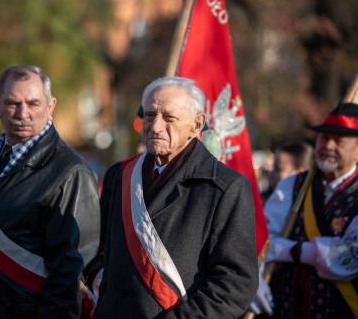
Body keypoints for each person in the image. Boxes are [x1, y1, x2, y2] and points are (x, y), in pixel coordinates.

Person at [93, 77, 258, 318]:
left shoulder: (226, 188)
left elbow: (234, 283)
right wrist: (99, 274)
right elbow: (97, 245)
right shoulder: (119, 176)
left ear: (197, 124)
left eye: (169, 118)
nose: (155, 126)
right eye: (150, 115)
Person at [0, 65, 100, 319]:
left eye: (33, 103)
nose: (22, 113)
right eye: (12, 103)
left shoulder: (70, 172)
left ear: (51, 107)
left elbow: (69, 273)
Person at [251, 102, 358, 318]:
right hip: (284, 307)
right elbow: (260, 238)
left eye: (338, 141)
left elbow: (348, 258)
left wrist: (290, 251)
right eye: (324, 138)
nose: (327, 145)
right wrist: (256, 278)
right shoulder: (292, 186)